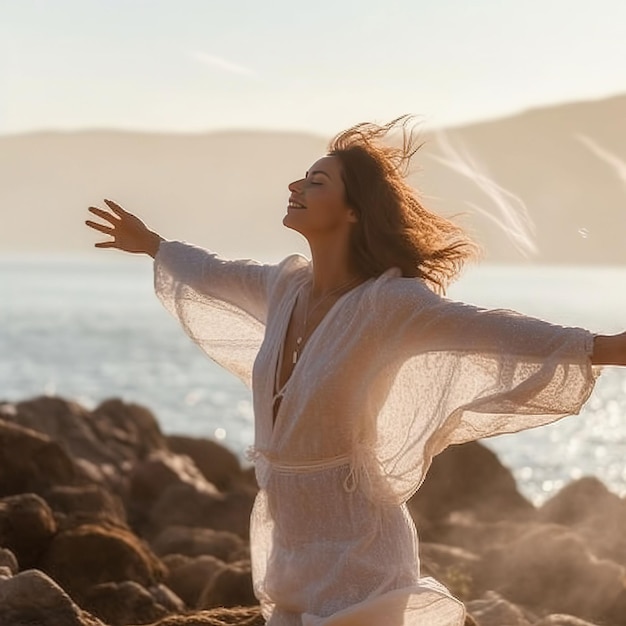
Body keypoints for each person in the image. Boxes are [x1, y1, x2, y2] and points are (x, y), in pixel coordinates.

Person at [86, 117, 625, 626]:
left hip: (360, 546)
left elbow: (486, 330)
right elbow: (213, 273)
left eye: (316, 181)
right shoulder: (284, 287)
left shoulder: (388, 304)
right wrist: (153, 245)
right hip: (289, 541)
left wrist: (603, 347)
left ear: (352, 211)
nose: (296, 184)